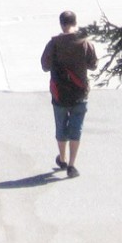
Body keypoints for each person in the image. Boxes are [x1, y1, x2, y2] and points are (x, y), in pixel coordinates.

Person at [39, 10, 98, 178]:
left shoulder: (54, 44)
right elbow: (93, 65)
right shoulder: (84, 42)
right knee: (76, 129)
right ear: (75, 22)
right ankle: (72, 165)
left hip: (60, 92)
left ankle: (62, 158)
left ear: (61, 24)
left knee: (61, 127)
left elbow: (45, 66)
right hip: (80, 92)